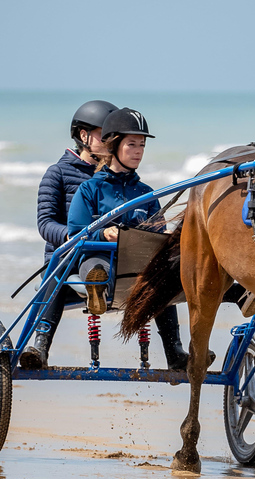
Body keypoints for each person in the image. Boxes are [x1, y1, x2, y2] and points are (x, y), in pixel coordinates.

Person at [67, 107, 193, 370]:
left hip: (137, 269)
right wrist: (102, 232)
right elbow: (76, 230)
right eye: (132, 144)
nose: (138, 151)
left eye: (142, 145)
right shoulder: (90, 188)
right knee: (96, 269)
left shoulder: (145, 193)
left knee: (165, 274)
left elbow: (157, 233)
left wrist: (168, 235)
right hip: (99, 260)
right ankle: (97, 291)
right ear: (114, 146)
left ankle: (176, 353)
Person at [19, 100, 119, 370]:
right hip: (68, 261)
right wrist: (73, 237)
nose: (111, 141)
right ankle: (38, 345)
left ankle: (176, 349)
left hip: (109, 261)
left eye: (114, 136)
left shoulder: (118, 178)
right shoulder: (58, 174)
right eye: (104, 135)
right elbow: (45, 224)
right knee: (60, 268)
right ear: (83, 136)